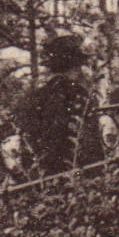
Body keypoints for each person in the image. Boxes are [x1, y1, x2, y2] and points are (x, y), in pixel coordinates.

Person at [11, 33, 103, 177]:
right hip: (71, 171)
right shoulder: (75, 93)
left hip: (43, 171)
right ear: (76, 66)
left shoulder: (37, 94)